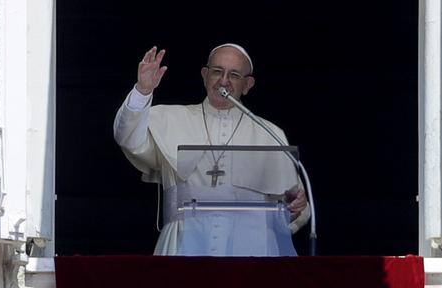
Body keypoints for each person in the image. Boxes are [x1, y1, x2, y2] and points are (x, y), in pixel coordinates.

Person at [113, 43, 310, 256]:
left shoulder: (269, 133)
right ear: (205, 75)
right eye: (217, 71)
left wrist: (295, 206)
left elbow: (295, 205)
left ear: (247, 84)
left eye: (234, 74)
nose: (223, 81)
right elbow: (128, 138)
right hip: (184, 246)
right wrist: (143, 91)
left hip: (254, 249)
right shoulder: (170, 119)